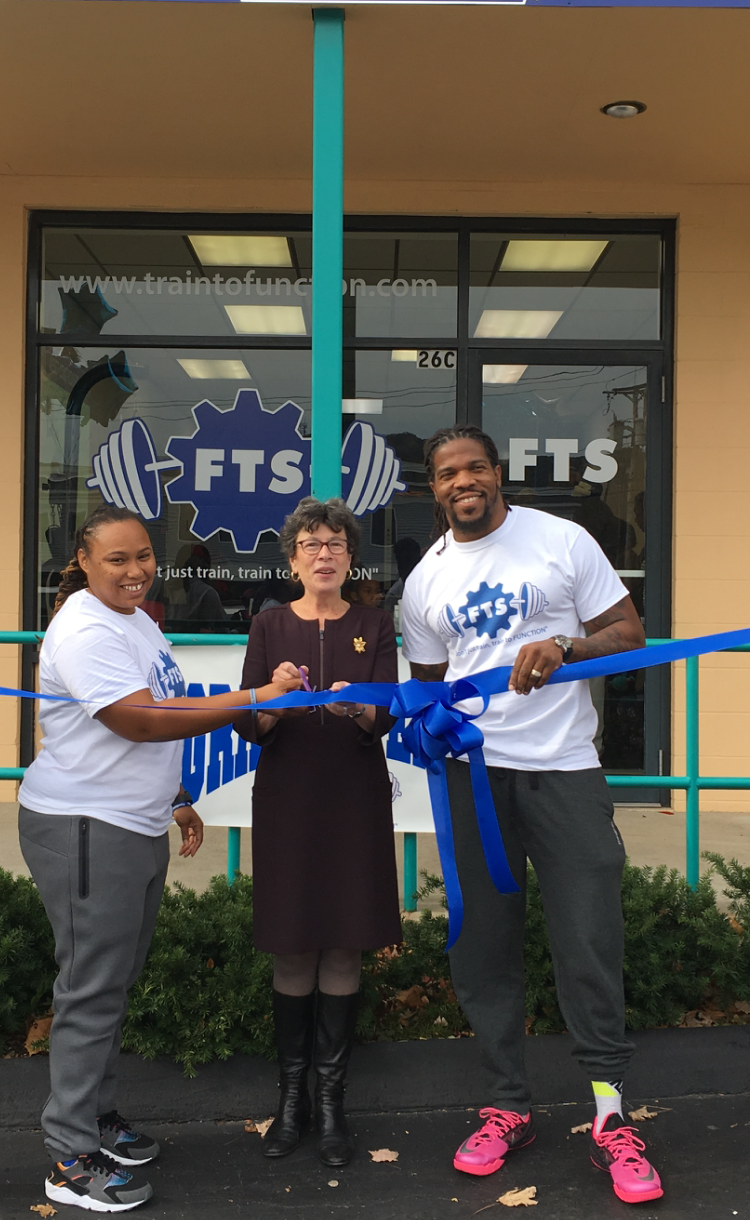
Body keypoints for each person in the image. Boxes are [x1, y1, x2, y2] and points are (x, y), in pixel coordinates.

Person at [400, 425, 663, 1207]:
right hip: (473, 780)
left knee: (588, 938)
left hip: (565, 773)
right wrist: (419, 722)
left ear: (496, 473)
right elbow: (425, 691)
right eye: (447, 473)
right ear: (434, 488)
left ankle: (612, 1118)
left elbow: (630, 633)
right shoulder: (424, 581)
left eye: (474, 467)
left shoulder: (562, 539)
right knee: (483, 946)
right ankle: (506, 1106)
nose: (463, 481)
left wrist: (564, 646)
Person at [18, 505, 299, 1213]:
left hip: (132, 821)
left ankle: (96, 1118)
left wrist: (175, 795)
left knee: (114, 979)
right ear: (83, 561)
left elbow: (158, 708)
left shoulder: (137, 620)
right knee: (90, 986)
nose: (136, 570)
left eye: (144, 555)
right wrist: (254, 697)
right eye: (118, 559)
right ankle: (69, 1156)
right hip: (86, 824)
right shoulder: (83, 629)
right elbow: (138, 720)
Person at [234, 497, 401, 1169]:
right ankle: (291, 1103)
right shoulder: (267, 625)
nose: (324, 553)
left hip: (354, 799)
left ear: (350, 556)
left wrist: (362, 706)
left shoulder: (375, 623)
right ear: (293, 558)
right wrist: (271, 698)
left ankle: (333, 1106)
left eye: (335, 543)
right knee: (293, 944)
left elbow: (386, 713)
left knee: (344, 942)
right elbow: (247, 722)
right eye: (312, 543)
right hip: (289, 800)